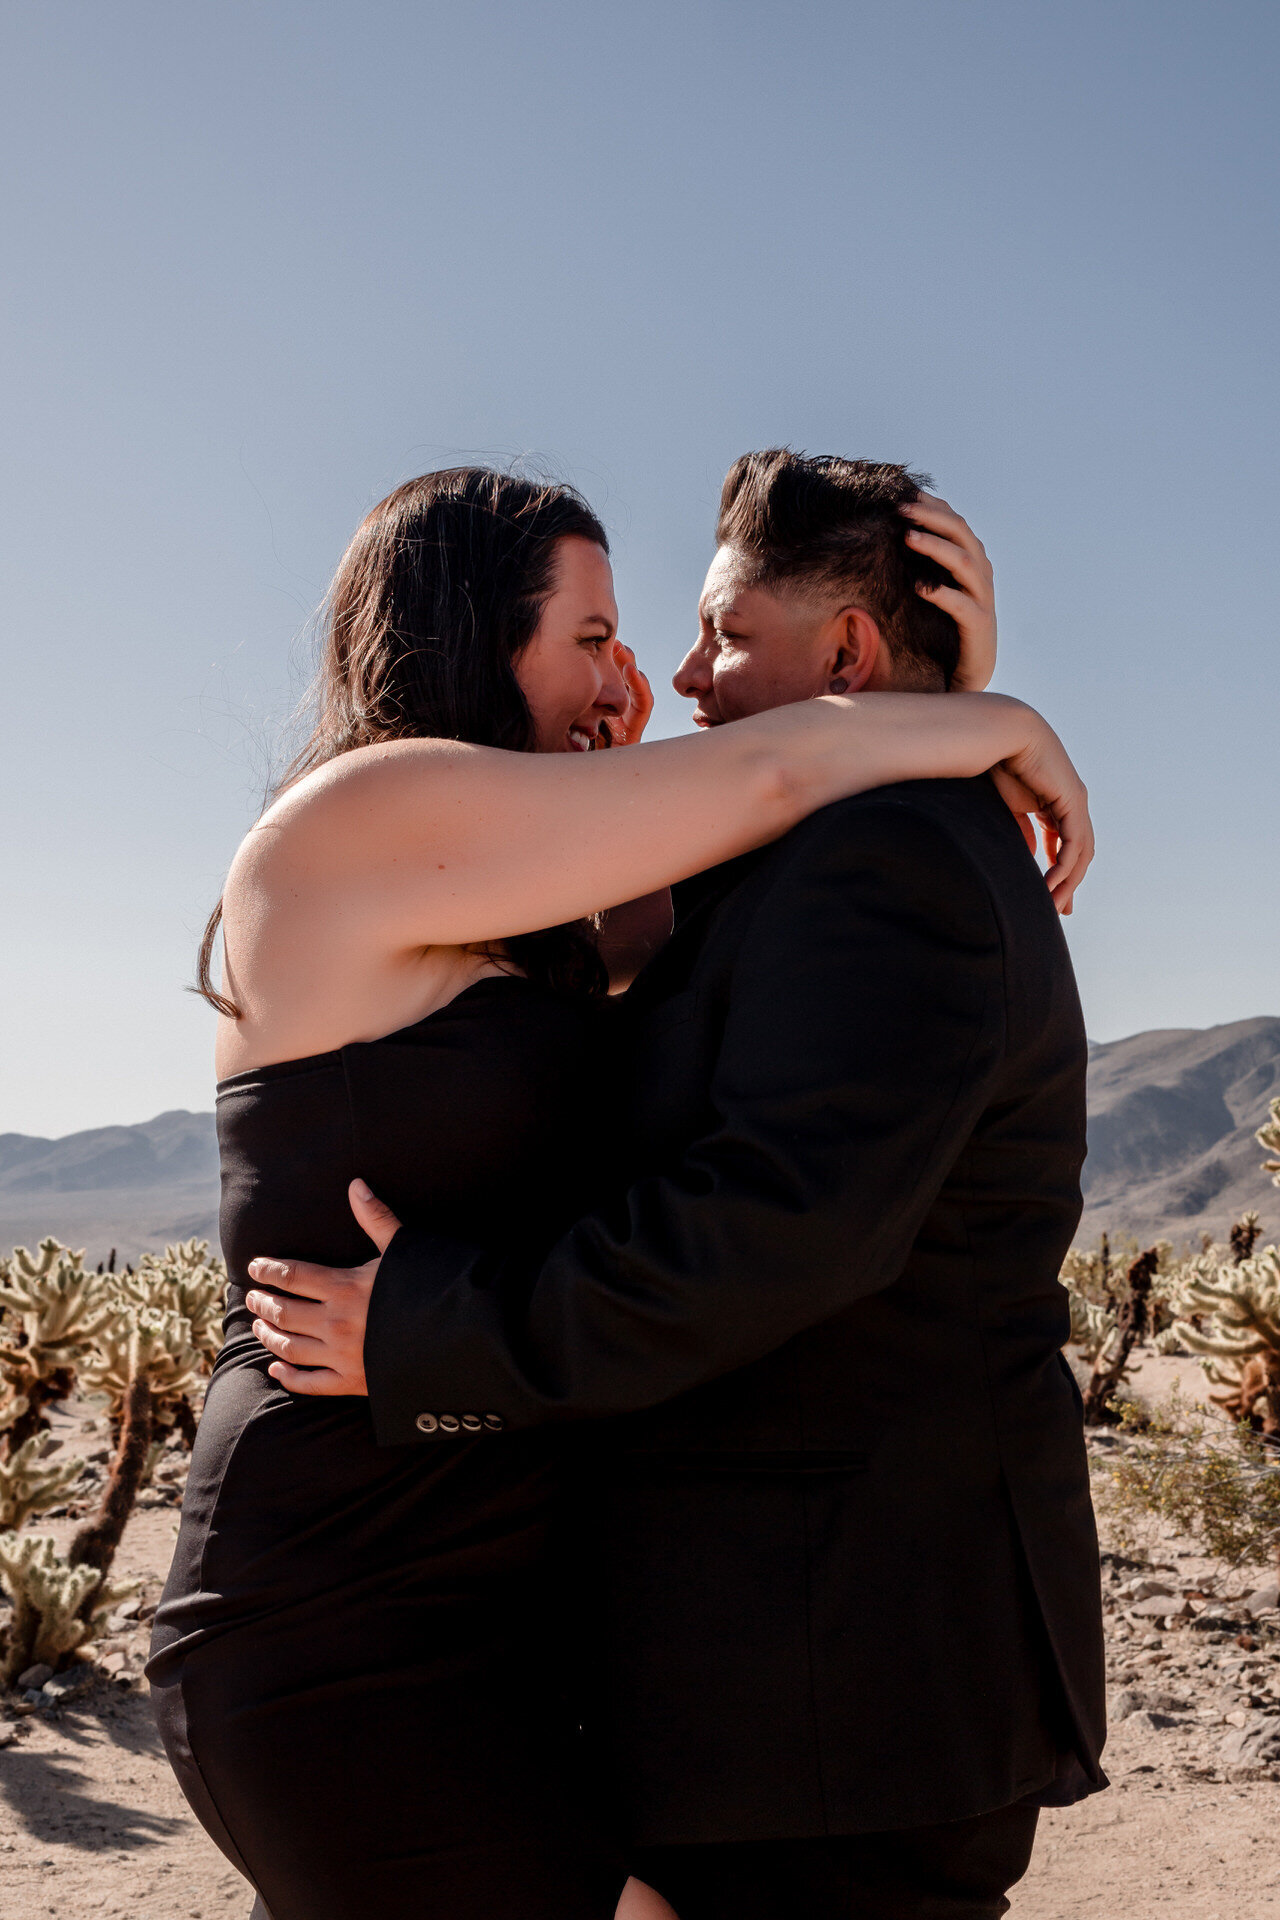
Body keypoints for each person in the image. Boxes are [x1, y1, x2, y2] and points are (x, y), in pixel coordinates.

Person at [244, 452, 1106, 1920]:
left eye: (718, 635)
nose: (674, 680)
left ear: (843, 654)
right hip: (426, 1598)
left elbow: (770, 1229)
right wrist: (985, 712)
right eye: (605, 640)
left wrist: (949, 715)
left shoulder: (882, 852)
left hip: (836, 1683)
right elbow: (727, 832)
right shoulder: (445, 836)